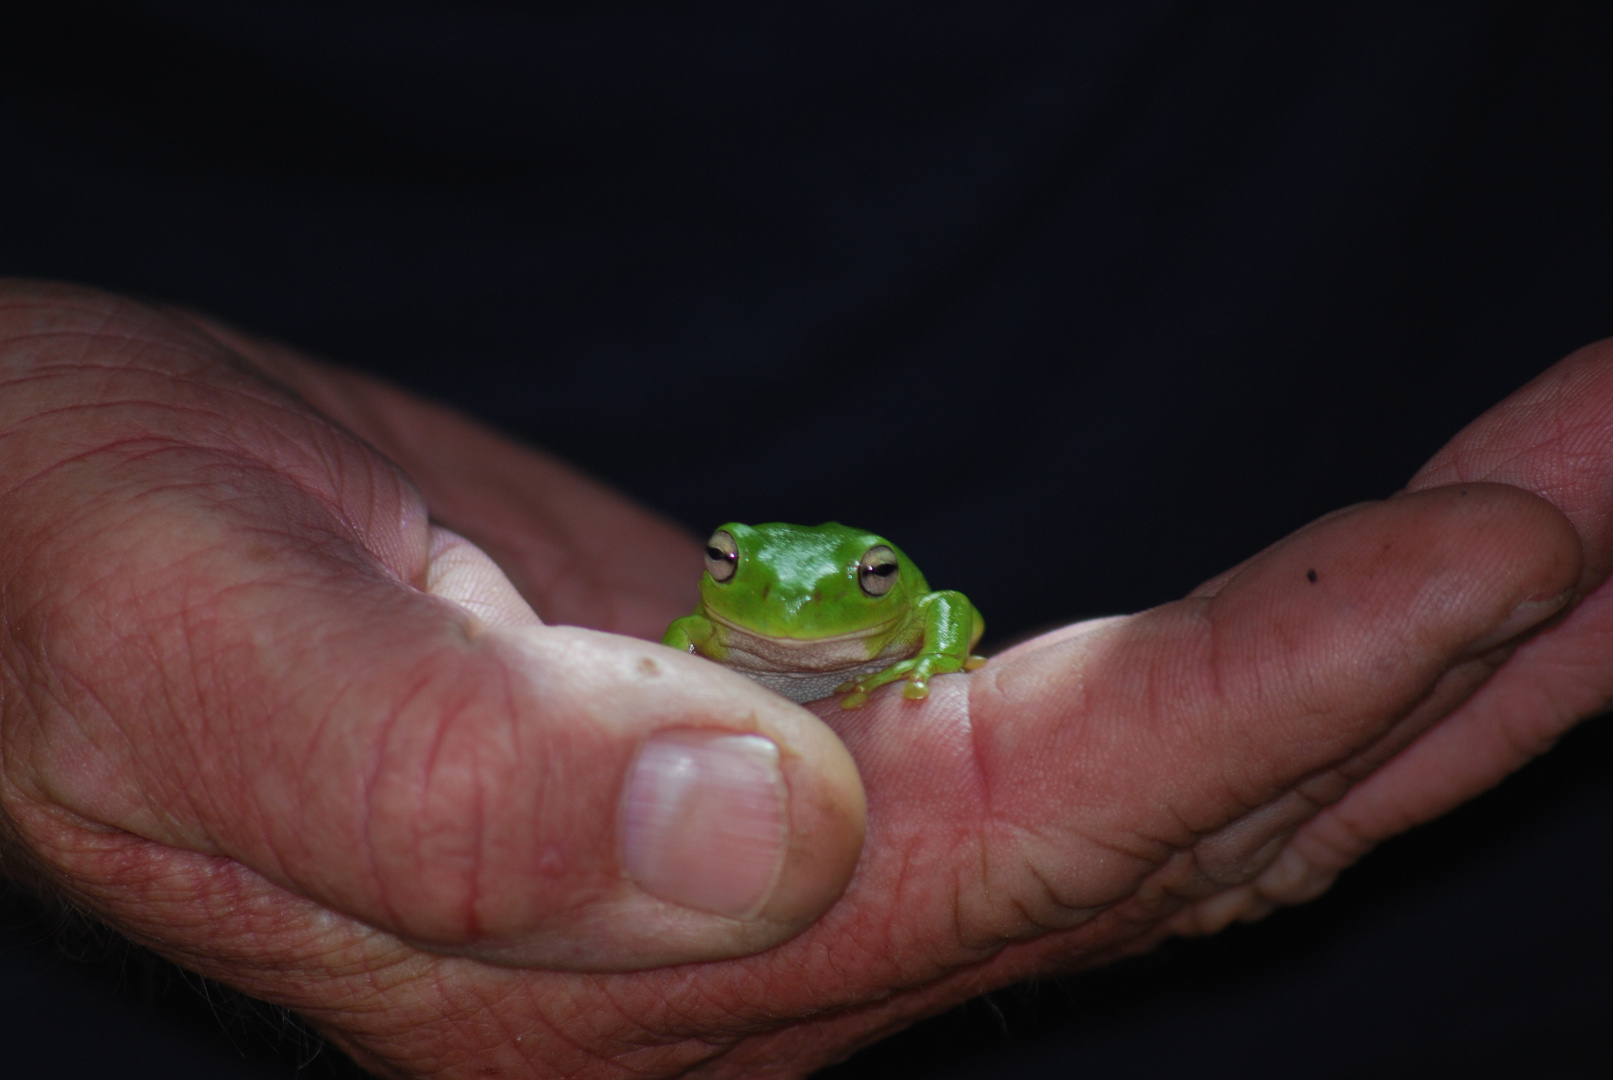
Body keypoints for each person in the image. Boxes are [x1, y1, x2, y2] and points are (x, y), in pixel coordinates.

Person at [3, 5, 1612, 1078]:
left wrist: (920, 651)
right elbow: (704, 635)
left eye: (841, 587)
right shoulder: (723, 620)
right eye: (738, 575)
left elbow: (949, 607)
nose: (773, 600)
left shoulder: (894, 607)